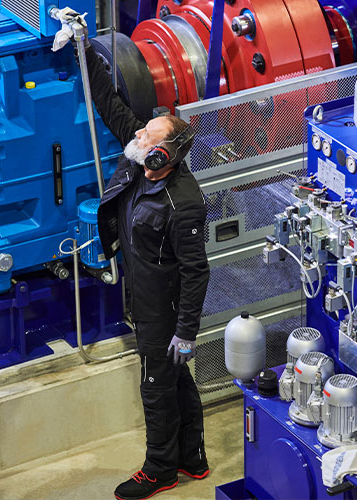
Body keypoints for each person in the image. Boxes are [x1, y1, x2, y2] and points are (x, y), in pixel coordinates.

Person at [81, 32, 211, 500]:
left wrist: (186, 332)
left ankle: (159, 470)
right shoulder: (141, 160)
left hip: (165, 312)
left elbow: (197, 272)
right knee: (175, 379)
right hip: (142, 293)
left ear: (163, 155)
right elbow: (109, 103)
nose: (136, 134)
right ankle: (192, 457)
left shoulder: (183, 204)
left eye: (147, 135)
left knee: (157, 386)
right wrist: (84, 49)